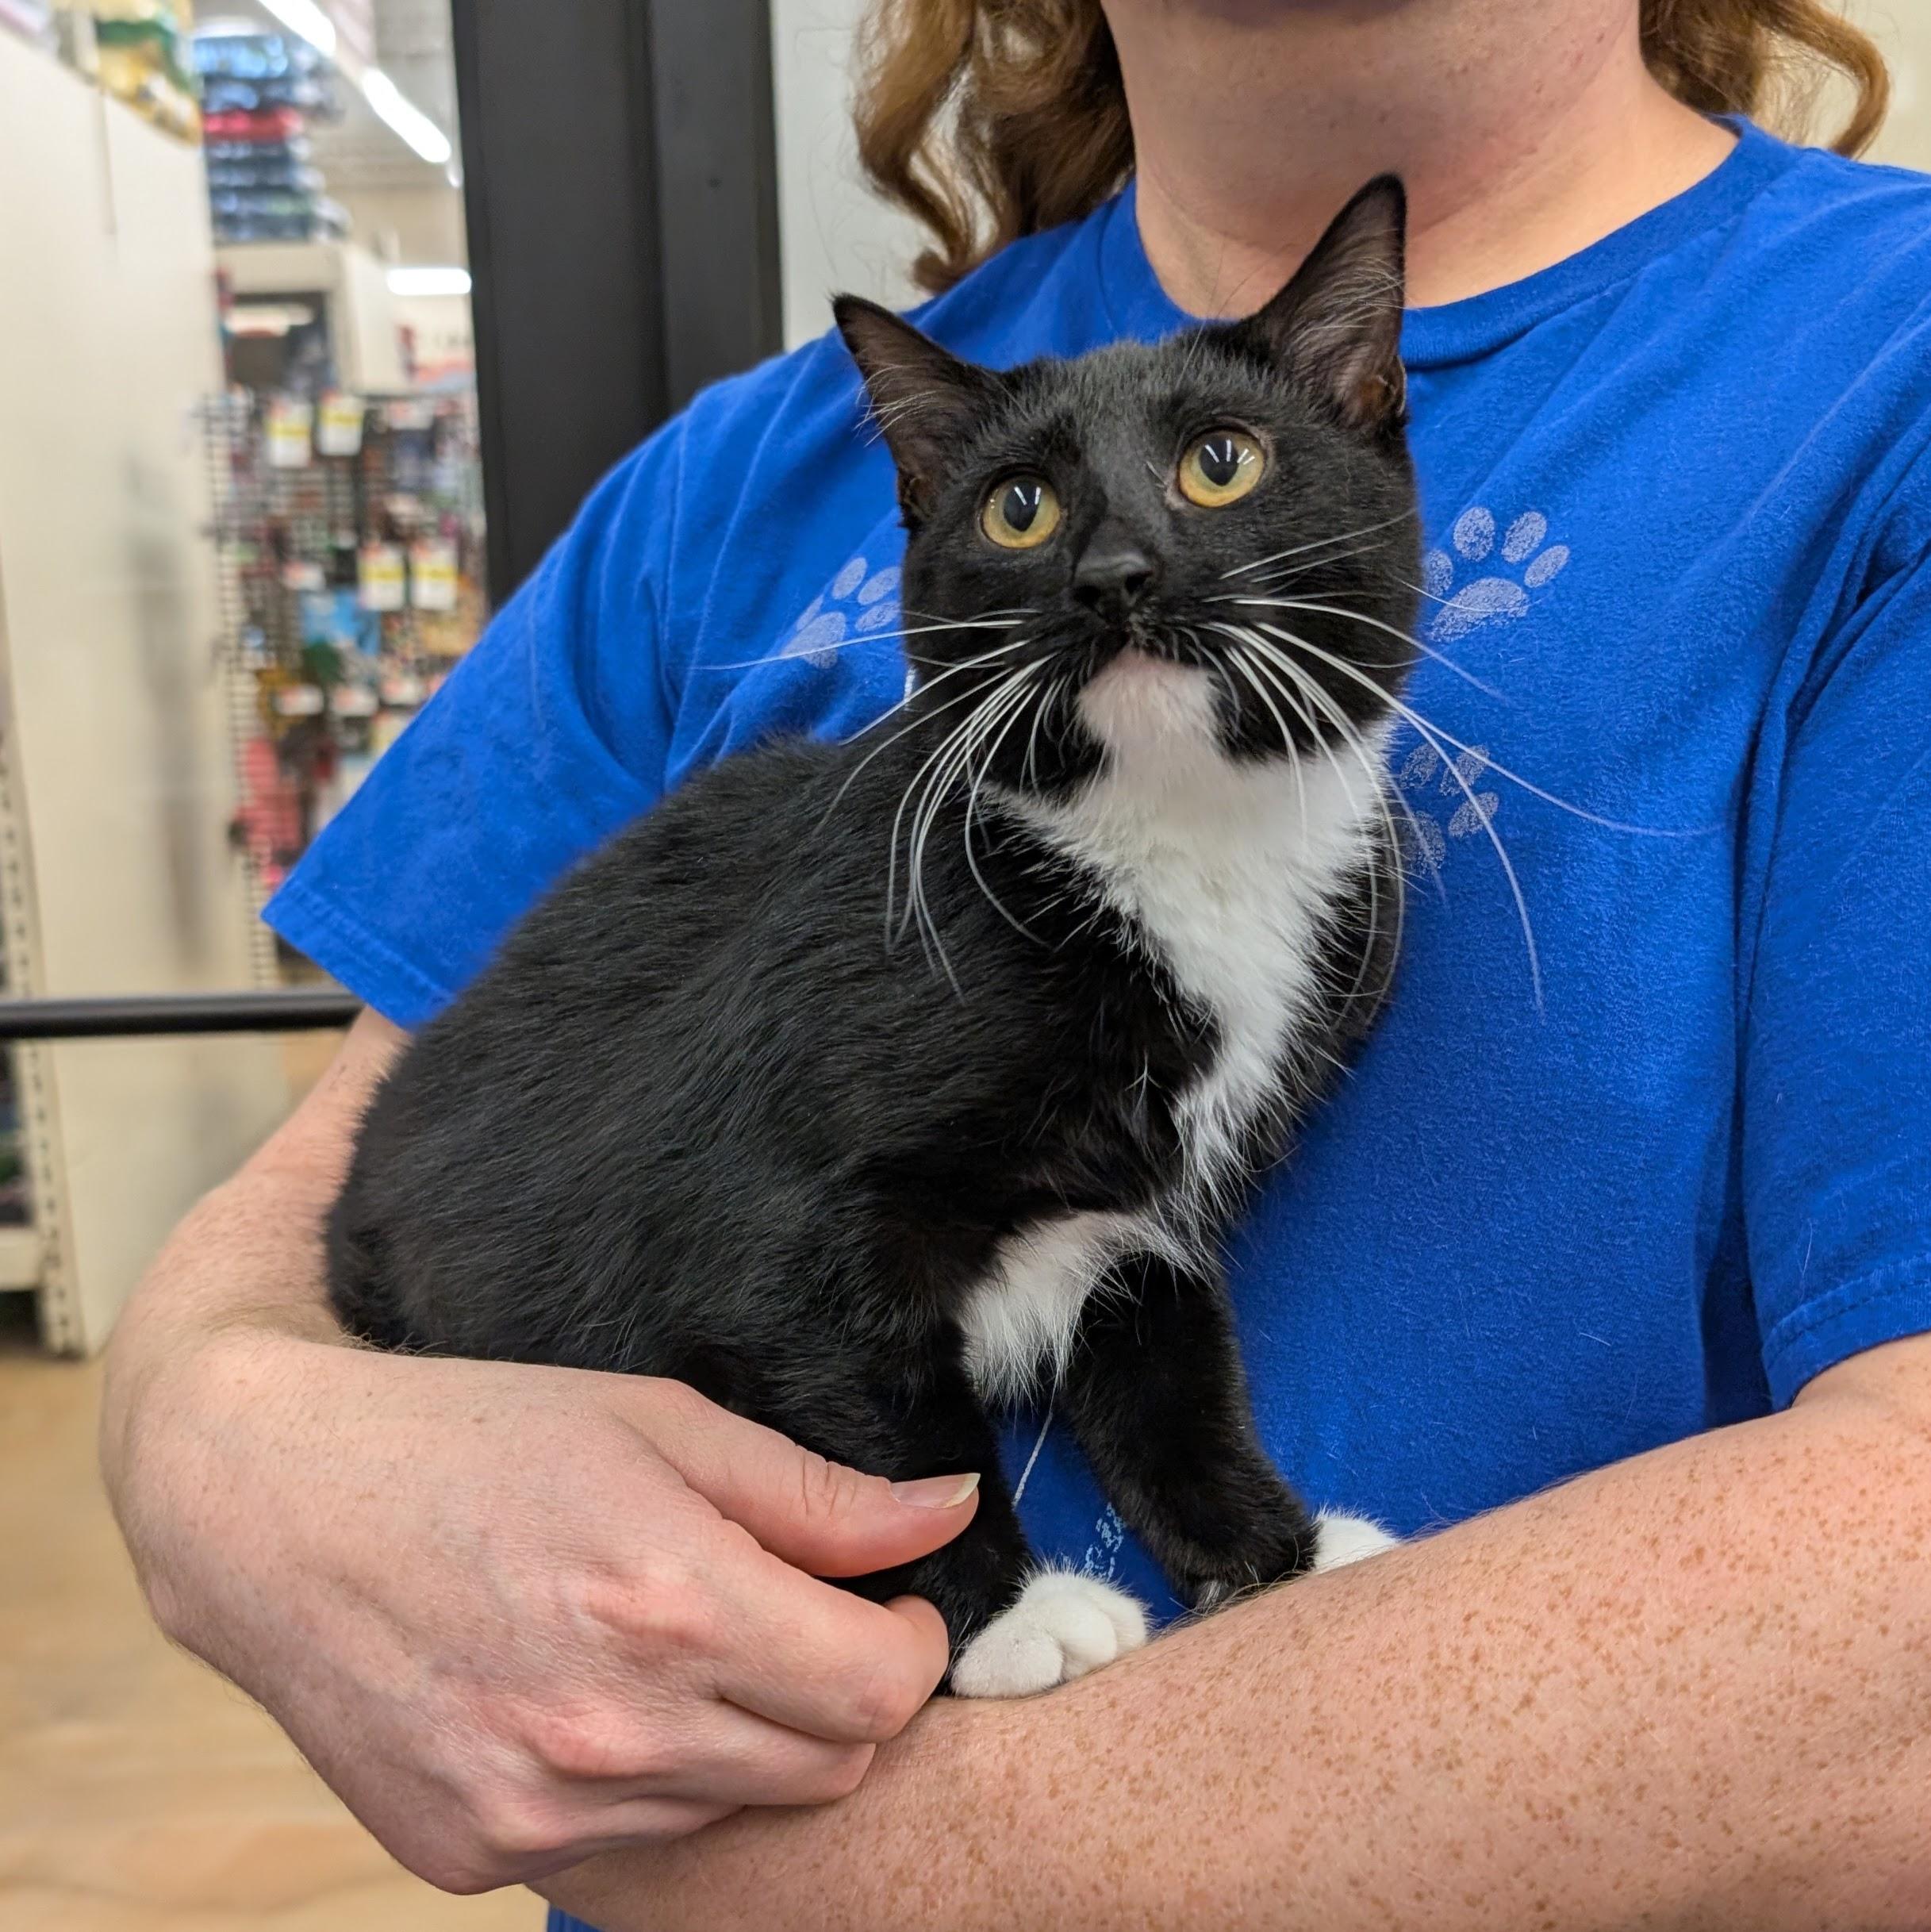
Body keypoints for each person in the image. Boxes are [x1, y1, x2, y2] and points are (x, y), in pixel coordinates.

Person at [102, 0, 1931, 1925]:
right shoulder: (722, 486)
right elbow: (327, 1208)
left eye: (1209, 482)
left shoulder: (1866, 373)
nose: (1130, 557)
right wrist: (215, 1449)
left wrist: (797, 1857)